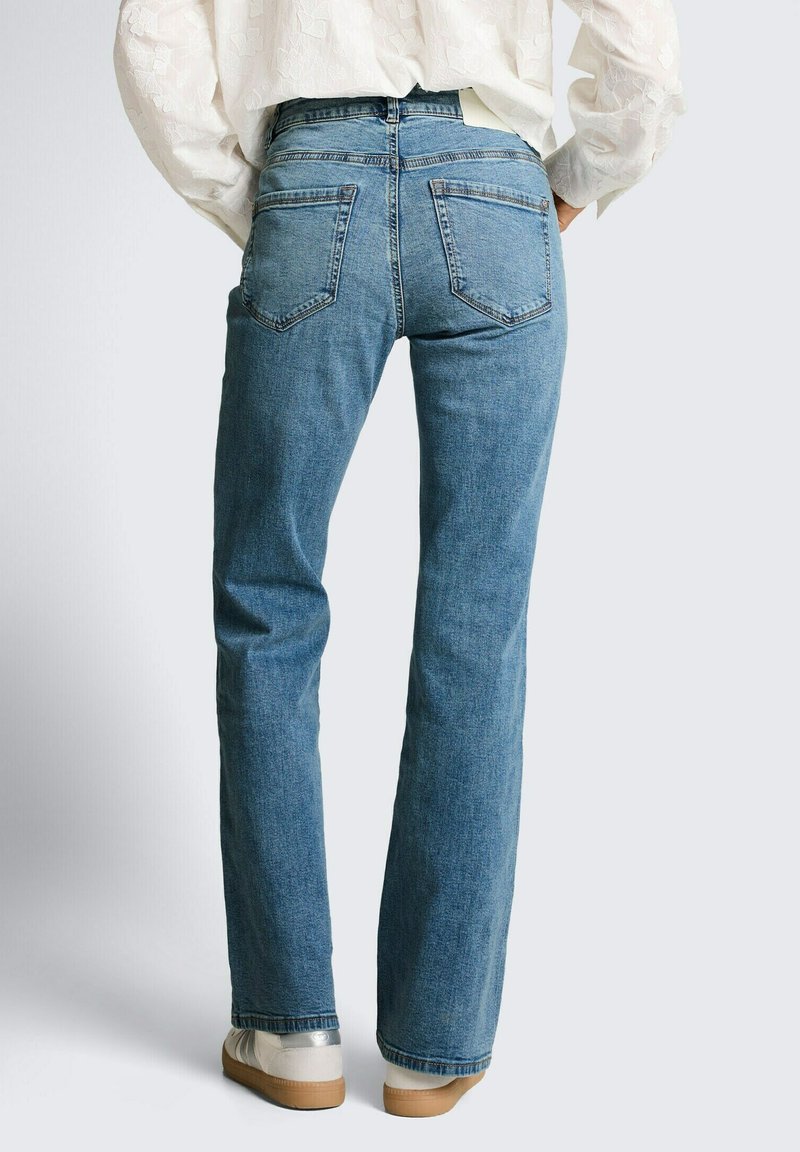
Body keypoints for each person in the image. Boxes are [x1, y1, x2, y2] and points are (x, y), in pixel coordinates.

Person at [113, 0, 686, 1118]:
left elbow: (153, 46)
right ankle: (433, 1048)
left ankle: (288, 1032)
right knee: (477, 622)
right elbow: (642, 57)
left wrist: (265, 202)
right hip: (494, 189)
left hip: (309, 179)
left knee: (267, 606)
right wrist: (568, 182)